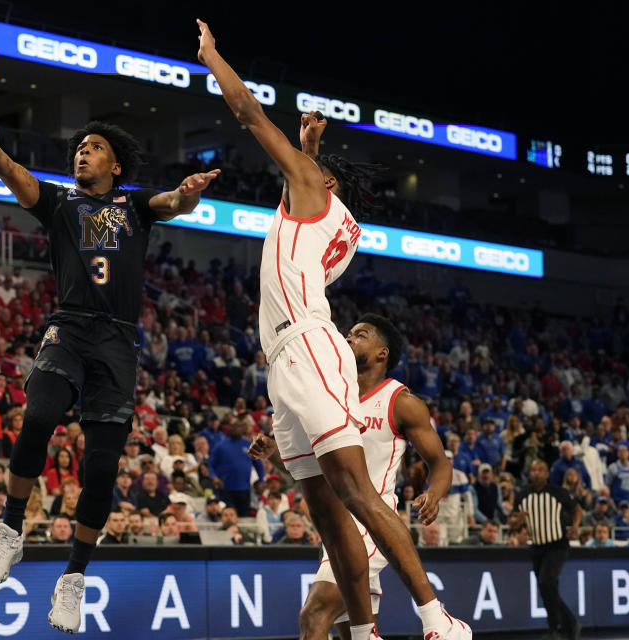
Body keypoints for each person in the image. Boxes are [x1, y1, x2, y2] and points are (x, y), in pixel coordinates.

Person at [199, 19, 471, 640]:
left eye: (306, 168)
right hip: (286, 358)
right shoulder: (339, 228)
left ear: (323, 184)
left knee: (353, 491)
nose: (295, 170)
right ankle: (368, 631)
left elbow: (245, 111)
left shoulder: (311, 191)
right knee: (327, 514)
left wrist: (214, 57)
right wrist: (313, 154)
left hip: (307, 344)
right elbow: (298, 216)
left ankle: (438, 620)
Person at [0, 63, 220, 633]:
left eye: (94, 147)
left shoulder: (134, 207)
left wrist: (186, 196)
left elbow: (171, 205)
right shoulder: (59, 204)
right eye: (79, 147)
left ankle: (73, 578)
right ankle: (9, 531)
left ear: (114, 163)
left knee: (102, 471)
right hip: (69, 327)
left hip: (117, 341)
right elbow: (2, 164)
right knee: (37, 416)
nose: (82, 152)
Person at [251, 315, 454, 639]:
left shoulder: (401, 402)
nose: (349, 338)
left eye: (360, 335)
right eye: (348, 333)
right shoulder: (329, 397)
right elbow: (313, 472)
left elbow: (441, 464)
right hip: (335, 524)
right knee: (353, 634)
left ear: (381, 353)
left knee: (315, 613)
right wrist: (273, 454)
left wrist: (433, 493)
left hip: (371, 523)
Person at [508, 459, 582, 640]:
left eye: (540, 470)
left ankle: (561, 627)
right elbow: (512, 522)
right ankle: (565, 627)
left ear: (547, 473)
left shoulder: (558, 492)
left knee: (545, 583)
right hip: (537, 547)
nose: (536, 473)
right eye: (533, 470)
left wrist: (575, 526)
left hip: (557, 545)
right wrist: (517, 522)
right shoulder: (522, 495)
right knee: (548, 590)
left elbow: (577, 509)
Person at [210, 418, 264, 517]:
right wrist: (214, 477)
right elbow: (210, 466)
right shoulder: (220, 446)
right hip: (225, 490)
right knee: (226, 517)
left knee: (244, 518)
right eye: (233, 426)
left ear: (242, 428)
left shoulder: (249, 445)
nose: (235, 429)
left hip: (244, 490)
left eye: (238, 426)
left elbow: (259, 466)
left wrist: (261, 480)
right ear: (228, 428)